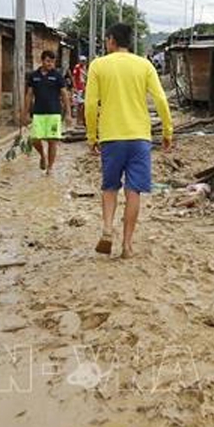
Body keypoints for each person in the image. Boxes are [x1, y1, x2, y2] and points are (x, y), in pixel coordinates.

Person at [85, 23, 174, 258]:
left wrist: (91, 135)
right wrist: (167, 131)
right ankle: (126, 245)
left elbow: (91, 105)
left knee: (110, 187)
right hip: (139, 138)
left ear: (112, 40)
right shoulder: (144, 65)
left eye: (106, 40)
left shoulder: (98, 65)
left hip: (111, 138)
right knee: (134, 191)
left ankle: (106, 230)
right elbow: (161, 100)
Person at [24, 50, 71, 175]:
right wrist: (25, 113)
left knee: (52, 141)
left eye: (52, 61)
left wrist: (68, 114)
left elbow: (65, 95)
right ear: (42, 60)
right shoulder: (34, 76)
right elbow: (29, 95)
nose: (50, 64)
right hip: (38, 113)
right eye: (48, 61)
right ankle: (42, 155)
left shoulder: (57, 76)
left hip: (54, 113)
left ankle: (50, 167)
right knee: (35, 139)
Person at [71, 55, 88, 126]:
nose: (83, 62)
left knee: (82, 104)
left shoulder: (84, 68)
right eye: (82, 61)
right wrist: (75, 87)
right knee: (79, 105)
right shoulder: (77, 67)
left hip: (83, 88)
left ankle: (81, 120)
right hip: (79, 88)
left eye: (84, 61)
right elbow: (74, 77)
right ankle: (79, 121)